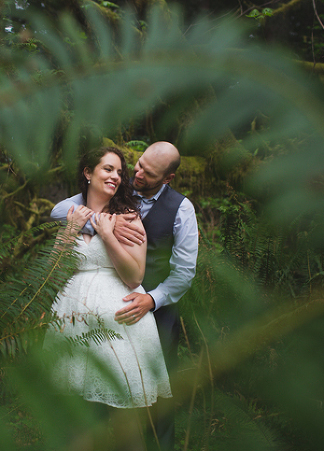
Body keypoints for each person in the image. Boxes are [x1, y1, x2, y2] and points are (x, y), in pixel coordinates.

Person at [51, 141, 199, 451]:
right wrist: (101, 220)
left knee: (149, 401)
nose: (136, 173)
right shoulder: (116, 191)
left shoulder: (179, 208)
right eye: (138, 164)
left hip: (145, 306)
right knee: (81, 405)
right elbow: (59, 210)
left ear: (167, 178)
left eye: (147, 171)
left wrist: (153, 299)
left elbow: (183, 272)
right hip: (81, 313)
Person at [45, 146, 172, 414]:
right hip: (72, 324)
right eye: (108, 169)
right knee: (75, 418)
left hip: (120, 328)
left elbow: (134, 276)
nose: (116, 176)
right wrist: (70, 230)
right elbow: (50, 273)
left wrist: (108, 234)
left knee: (127, 421)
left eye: (119, 171)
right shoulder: (71, 215)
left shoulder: (128, 218)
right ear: (88, 173)